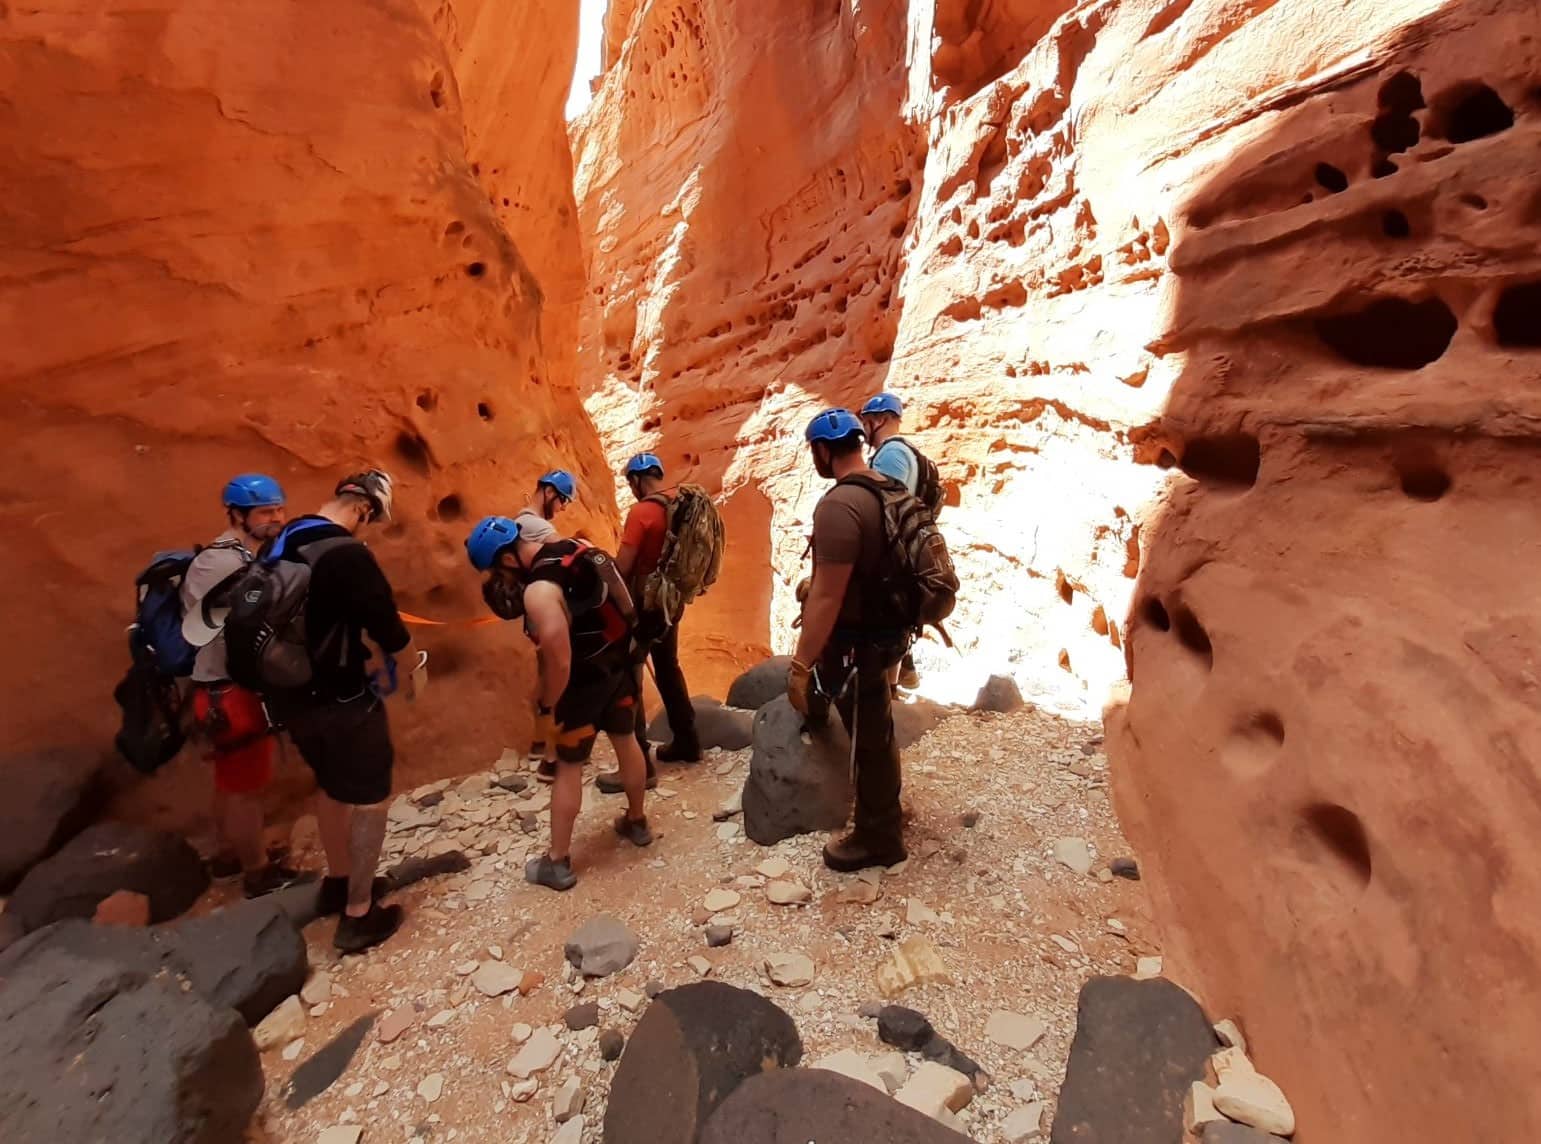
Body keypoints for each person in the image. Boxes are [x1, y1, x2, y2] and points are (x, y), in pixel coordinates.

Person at [265, 470, 416, 952]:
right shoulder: (349, 553)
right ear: (364, 509)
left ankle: (339, 881)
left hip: (286, 696)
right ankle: (359, 913)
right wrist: (413, 667)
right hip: (342, 696)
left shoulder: (283, 539)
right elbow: (390, 633)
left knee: (330, 785)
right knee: (371, 793)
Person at [466, 515, 652, 892]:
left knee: (568, 768)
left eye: (495, 572)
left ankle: (557, 862)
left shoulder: (539, 589)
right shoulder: (573, 548)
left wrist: (549, 704)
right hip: (618, 667)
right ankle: (637, 821)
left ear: (505, 560)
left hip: (582, 685)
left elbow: (560, 658)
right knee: (626, 741)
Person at [788, 409, 908, 872]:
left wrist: (800, 665)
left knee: (867, 735)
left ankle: (878, 836)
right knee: (878, 725)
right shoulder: (887, 486)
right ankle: (886, 812)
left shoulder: (840, 505)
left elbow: (825, 597)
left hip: (861, 641)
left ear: (822, 450)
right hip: (892, 630)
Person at [180, 473, 299, 897]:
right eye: (266, 512)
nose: (276, 518)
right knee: (245, 789)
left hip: (227, 691)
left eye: (279, 509)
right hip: (228, 693)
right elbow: (247, 622)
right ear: (236, 514)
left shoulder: (243, 558)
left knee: (232, 784)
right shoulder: (220, 563)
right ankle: (257, 872)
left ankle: (229, 854)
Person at [595, 452, 698, 795]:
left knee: (629, 676)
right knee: (668, 668)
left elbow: (622, 567)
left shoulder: (642, 511)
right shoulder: (682, 503)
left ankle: (640, 767)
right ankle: (688, 741)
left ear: (637, 480)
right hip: (673, 601)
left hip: (645, 607)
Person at [860, 392, 925, 691]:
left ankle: (886, 693)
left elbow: (884, 505)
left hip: (891, 552)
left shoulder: (890, 455)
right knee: (894, 621)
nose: (864, 429)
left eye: (867, 421)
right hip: (904, 548)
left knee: (884, 623)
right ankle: (894, 684)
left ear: (881, 420)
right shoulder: (905, 451)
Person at [514, 469, 576, 547]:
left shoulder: (523, 520)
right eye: (564, 501)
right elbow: (567, 551)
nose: (563, 508)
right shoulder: (535, 524)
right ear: (549, 492)